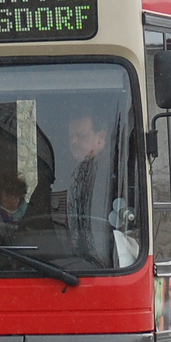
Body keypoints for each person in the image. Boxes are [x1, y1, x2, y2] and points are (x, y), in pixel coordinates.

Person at [66, 112, 115, 265]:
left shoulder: (112, 172)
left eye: (81, 136)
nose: (74, 142)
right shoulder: (79, 170)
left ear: (100, 137)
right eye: (71, 137)